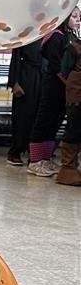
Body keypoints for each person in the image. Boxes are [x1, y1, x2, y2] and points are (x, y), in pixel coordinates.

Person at [28, 5, 81, 177]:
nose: (78, 20)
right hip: (53, 85)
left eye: (79, 17)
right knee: (44, 120)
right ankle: (35, 161)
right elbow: (57, 65)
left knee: (55, 123)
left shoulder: (71, 37)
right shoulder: (55, 37)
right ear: (64, 17)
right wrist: (68, 81)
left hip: (65, 89)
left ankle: (46, 158)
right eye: (74, 16)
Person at [6, 40, 43, 166]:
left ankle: (35, 153)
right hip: (26, 77)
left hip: (44, 75)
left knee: (40, 116)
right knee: (23, 115)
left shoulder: (51, 31)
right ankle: (15, 151)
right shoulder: (26, 33)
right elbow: (15, 59)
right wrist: (15, 83)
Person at [56, 36, 81, 185]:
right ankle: (68, 168)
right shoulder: (74, 47)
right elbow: (64, 69)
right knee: (75, 128)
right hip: (77, 94)